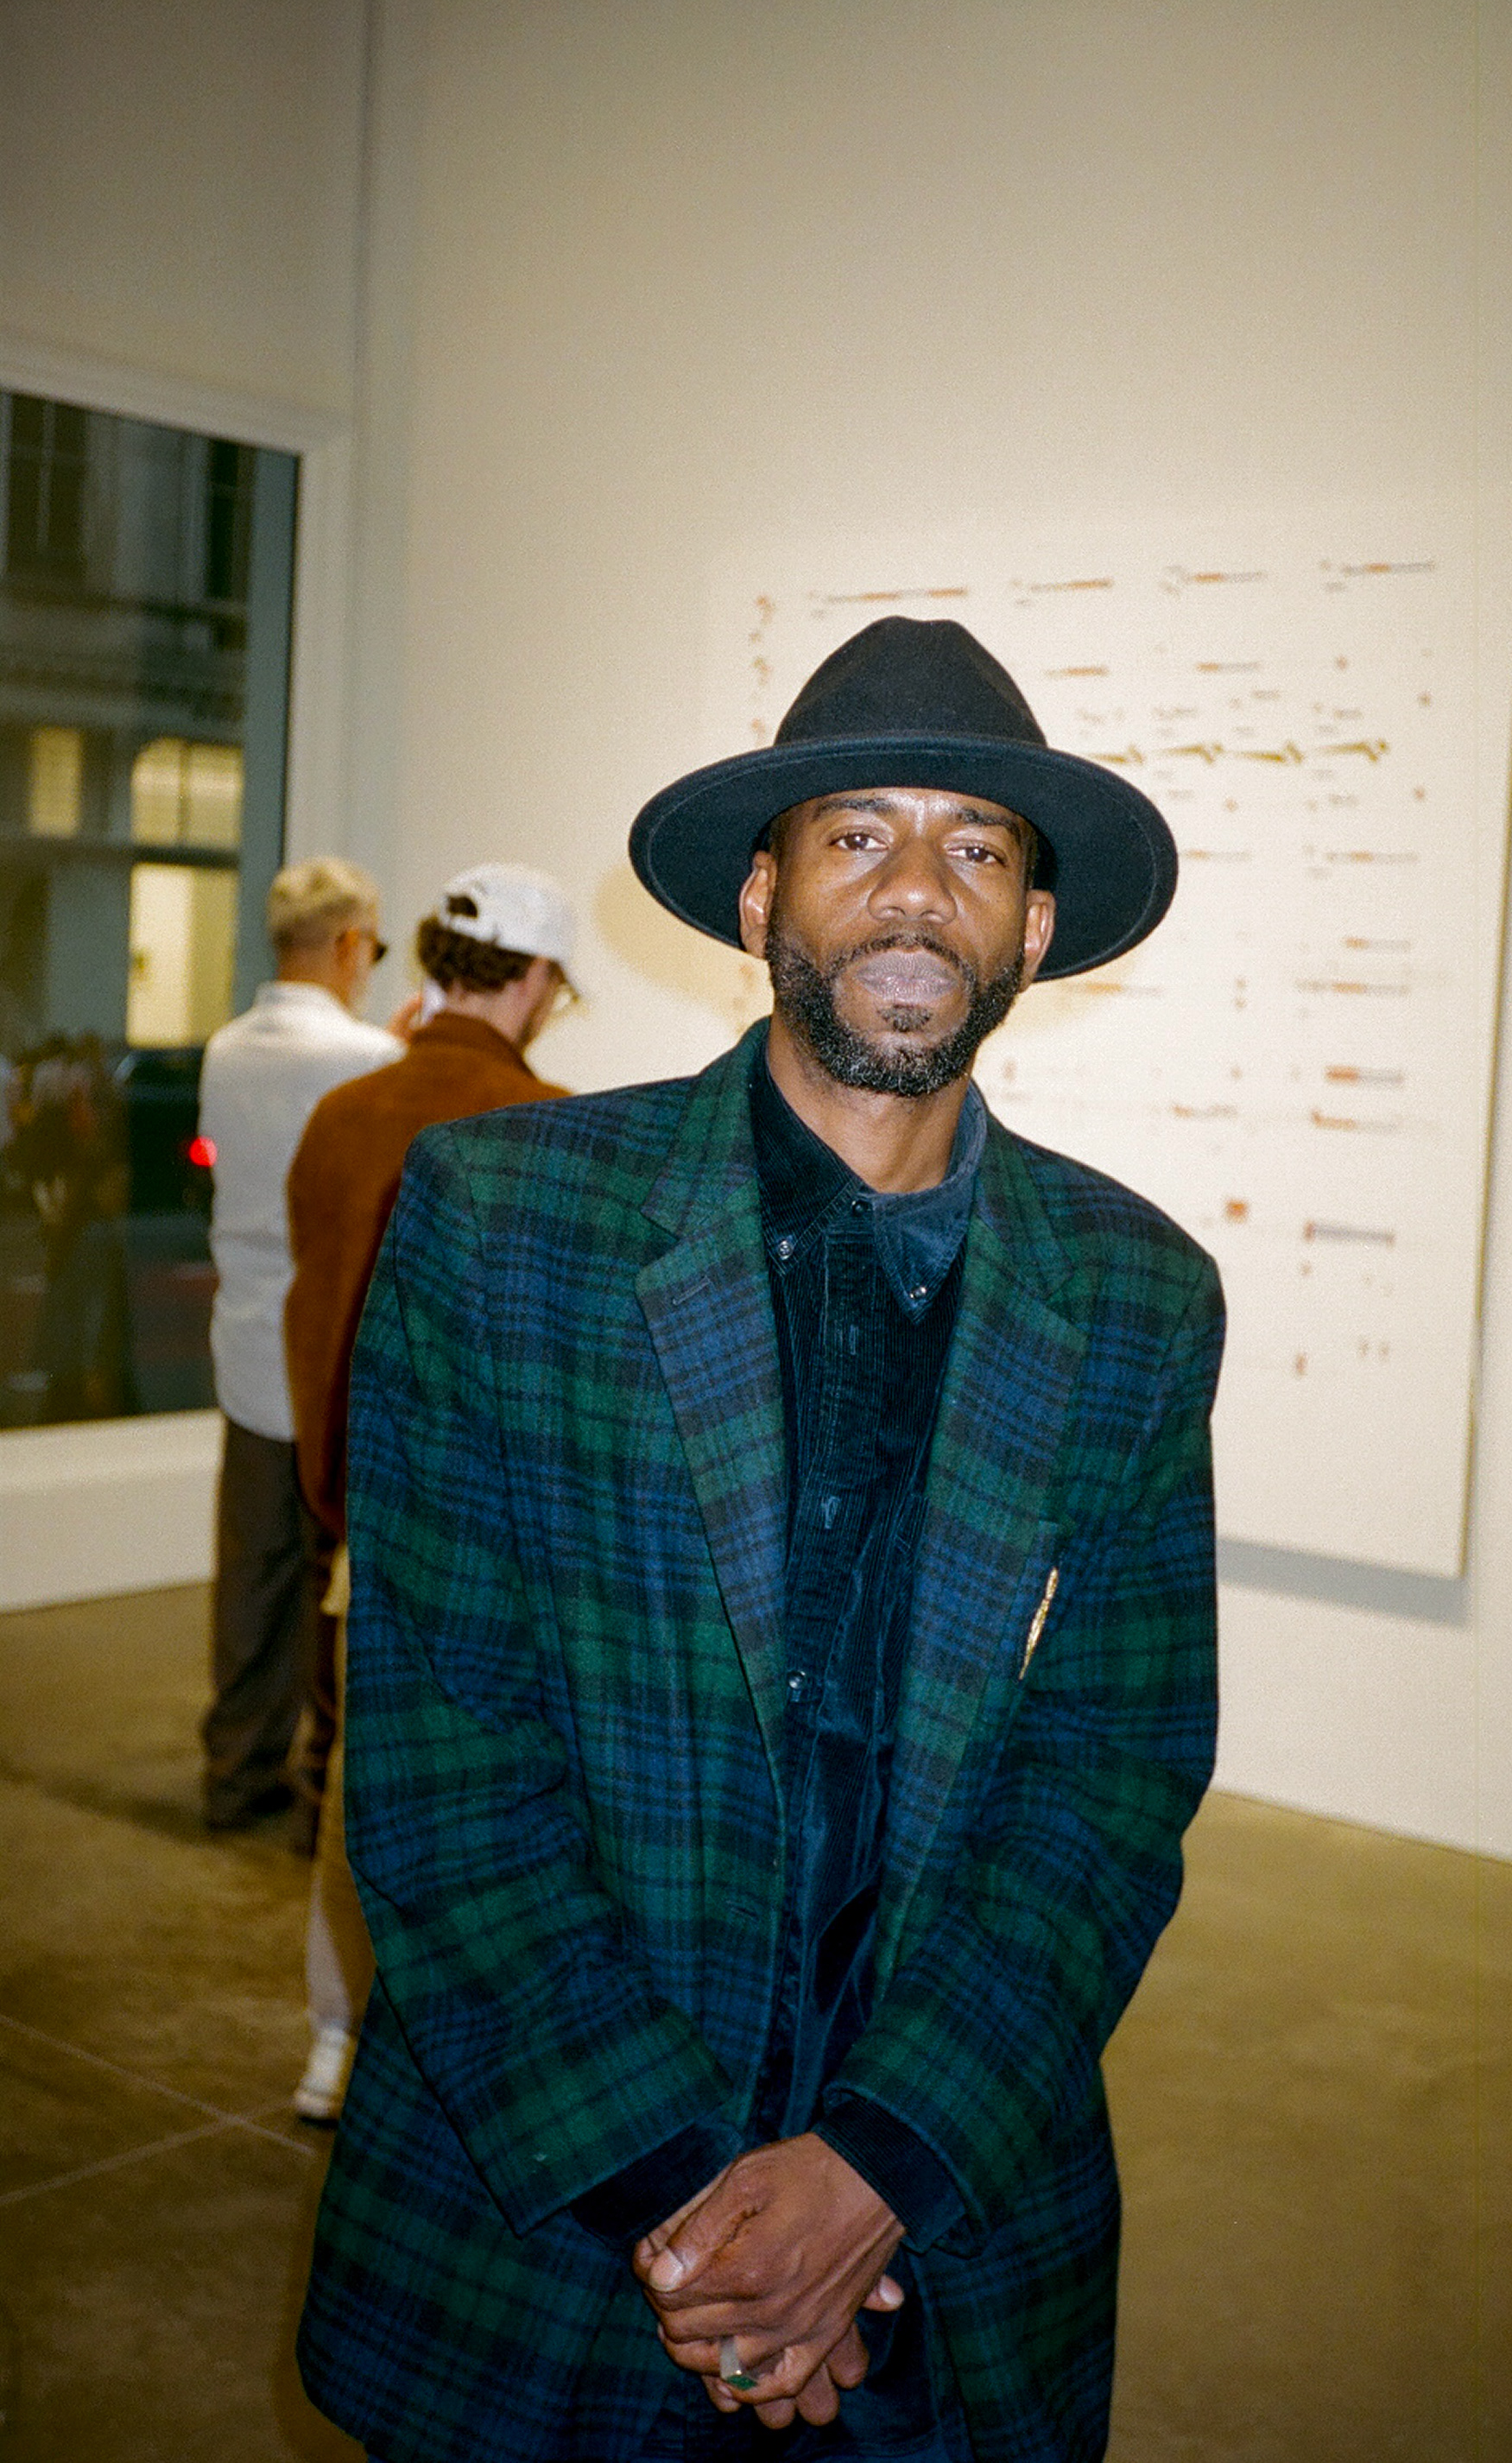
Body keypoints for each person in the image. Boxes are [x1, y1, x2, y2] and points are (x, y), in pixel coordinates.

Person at [298, 618, 1224, 2463]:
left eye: (977, 847)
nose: (916, 889)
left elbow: (1112, 1777)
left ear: (1034, 926)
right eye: (856, 835)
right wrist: (711, 2231)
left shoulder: (1137, 1292)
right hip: (558, 2227)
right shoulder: (506, 1223)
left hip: (940, 2240)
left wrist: (873, 2169)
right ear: (759, 896)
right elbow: (445, 1763)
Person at [282, 864, 576, 2122]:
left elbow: (315, 1323)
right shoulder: (553, 1131)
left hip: (366, 1522)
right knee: (503, 1805)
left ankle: (334, 2040)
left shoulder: (343, 1116)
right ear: (536, 979)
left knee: (363, 1788)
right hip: (509, 1545)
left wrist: (336, 1496)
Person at [196, 858, 402, 1833]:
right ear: (351, 944)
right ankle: (328, 1773)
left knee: (252, 1573)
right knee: (338, 1578)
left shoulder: (225, 1050)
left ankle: (235, 1770)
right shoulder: (369, 1057)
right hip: (332, 1347)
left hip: (245, 1337)